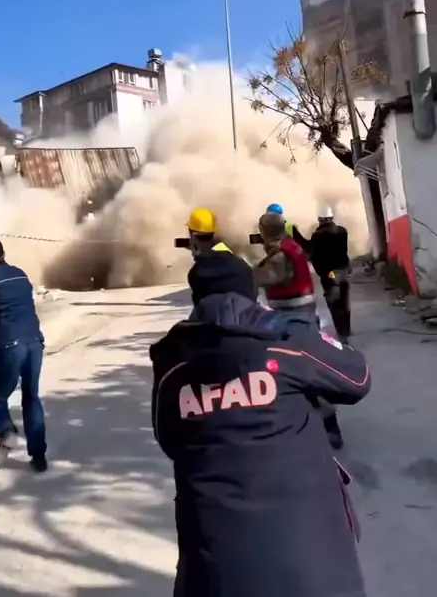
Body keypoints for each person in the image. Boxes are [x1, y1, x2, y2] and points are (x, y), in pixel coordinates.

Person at [150, 251, 370, 597]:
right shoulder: (286, 345)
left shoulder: (173, 365)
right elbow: (358, 378)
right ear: (251, 293)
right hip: (315, 565)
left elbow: (170, 439)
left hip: (214, 572)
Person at [253, 209, 344, 449]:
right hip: (303, 316)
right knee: (309, 368)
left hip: (293, 319)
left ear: (265, 231)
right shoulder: (291, 246)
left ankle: (326, 428)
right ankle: (327, 427)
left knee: (298, 372)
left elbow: (260, 277)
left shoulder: (280, 256)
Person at [0, 238, 48, 473]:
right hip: (34, 342)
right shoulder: (21, 274)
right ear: (3, 255)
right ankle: (39, 457)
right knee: (31, 397)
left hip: (10, 346)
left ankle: (7, 432)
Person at [309, 207, 351, 342]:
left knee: (334, 303)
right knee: (344, 301)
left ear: (320, 219)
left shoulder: (317, 235)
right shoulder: (342, 231)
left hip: (329, 273)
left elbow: (314, 256)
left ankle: (342, 333)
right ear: (332, 217)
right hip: (343, 270)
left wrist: (321, 272)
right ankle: (347, 328)